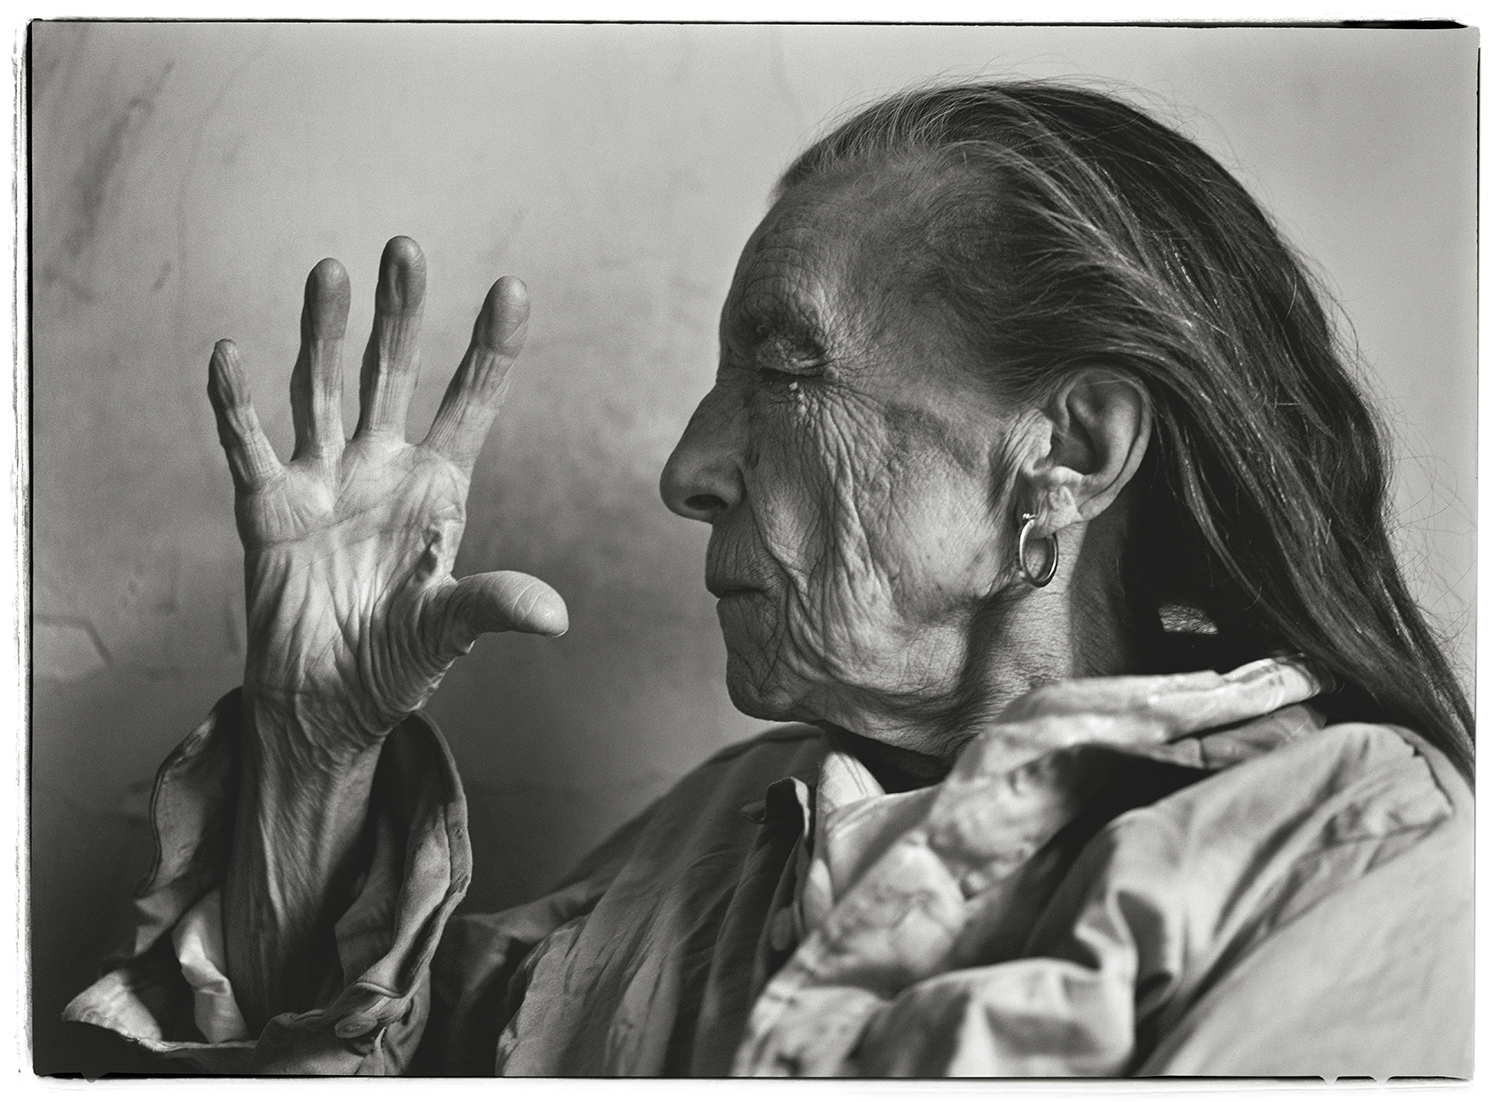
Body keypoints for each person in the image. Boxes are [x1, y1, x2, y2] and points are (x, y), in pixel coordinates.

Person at [64, 81, 1473, 1077]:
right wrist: (312, 761)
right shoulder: (723, 830)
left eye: (786, 370)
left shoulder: (1355, 852)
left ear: (1068, 451)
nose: (687, 467)